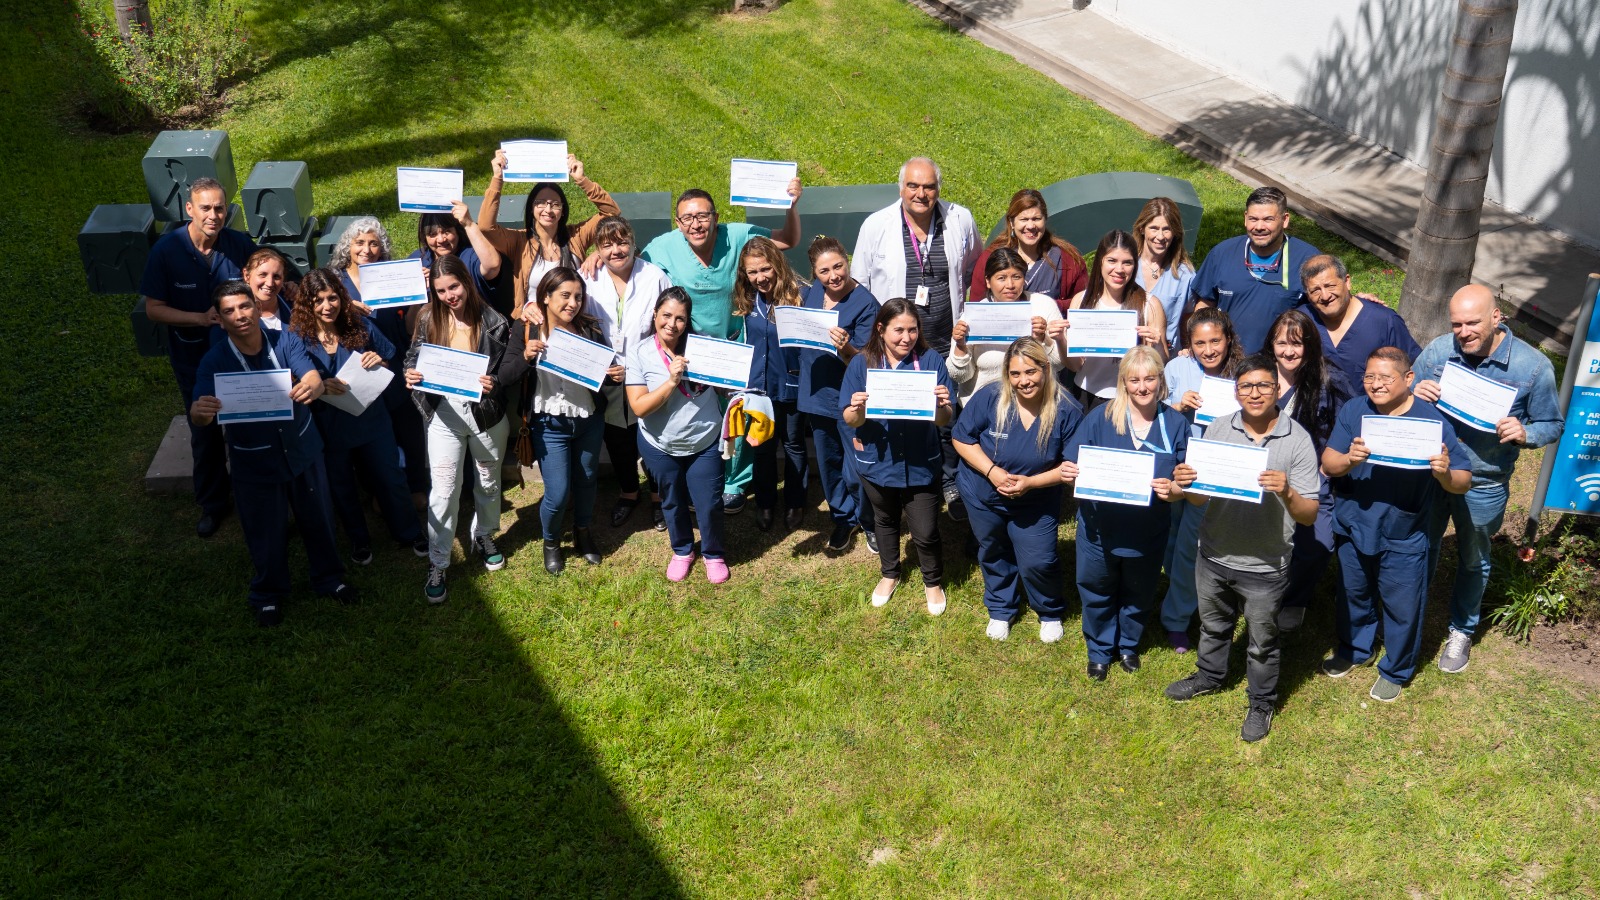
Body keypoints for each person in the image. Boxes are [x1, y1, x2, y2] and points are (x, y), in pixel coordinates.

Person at [1163, 353, 1321, 743]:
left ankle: (1261, 702)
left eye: (1263, 385)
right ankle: (1210, 675)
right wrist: (1185, 484)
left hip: (1265, 564)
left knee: (1262, 643)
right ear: (1235, 391)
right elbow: (1198, 499)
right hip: (1214, 554)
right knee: (1213, 625)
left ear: (1277, 389)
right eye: (1247, 386)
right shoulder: (1217, 430)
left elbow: (1309, 516)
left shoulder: (1297, 440)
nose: (1255, 393)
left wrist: (1286, 489)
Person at [1413, 284, 1563, 674]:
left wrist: (1526, 433)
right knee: (1419, 546)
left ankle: (1462, 628)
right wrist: (1414, 390)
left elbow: (1552, 424)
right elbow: (1404, 392)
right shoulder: (1439, 351)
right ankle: (1407, 617)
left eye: (1473, 322)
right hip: (1431, 472)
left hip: (1483, 480)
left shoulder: (1532, 367)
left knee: (1474, 558)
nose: (1463, 332)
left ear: (1498, 317)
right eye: (1456, 324)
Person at [189, 281, 354, 627]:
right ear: (220, 319)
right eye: (230, 311)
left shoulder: (285, 338)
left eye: (244, 306)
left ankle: (329, 578)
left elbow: (308, 371)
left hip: (303, 450)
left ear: (255, 305)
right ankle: (268, 593)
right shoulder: (214, 361)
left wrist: (313, 382)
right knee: (263, 530)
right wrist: (201, 413)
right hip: (255, 460)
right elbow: (199, 411)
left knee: (319, 518)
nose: (240, 316)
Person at [1321, 347, 1471, 702]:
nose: (1375, 384)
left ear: (1408, 379)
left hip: (1404, 531)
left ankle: (1397, 668)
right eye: (1369, 376)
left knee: (1402, 605)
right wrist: (1348, 460)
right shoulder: (1354, 410)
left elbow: (1463, 480)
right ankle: (1356, 649)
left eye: (1385, 377)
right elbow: (1328, 462)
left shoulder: (1432, 422)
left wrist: (1444, 472)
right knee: (1353, 593)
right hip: (1354, 524)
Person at [1062, 346, 1193, 677]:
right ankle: (1100, 649)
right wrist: (1069, 472)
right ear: (1123, 382)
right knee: (1097, 588)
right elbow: (1073, 462)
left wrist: (1174, 491)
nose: (1143, 387)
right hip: (1099, 529)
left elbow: (1187, 479)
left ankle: (1128, 645)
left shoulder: (1175, 423)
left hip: (1147, 531)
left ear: (1161, 381)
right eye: (1134, 380)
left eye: (1150, 378)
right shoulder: (1101, 417)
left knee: (1139, 591)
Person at [139, 176, 258, 537]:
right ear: (189, 209)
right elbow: (154, 309)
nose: (213, 215)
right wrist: (200, 319)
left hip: (240, 356)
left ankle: (254, 496)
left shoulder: (238, 245)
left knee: (248, 425)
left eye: (219, 207)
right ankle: (212, 504)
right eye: (205, 208)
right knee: (203, 428)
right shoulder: (166, 251)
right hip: (191, 357)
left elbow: (269, 279)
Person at [404, 254, 523, 605]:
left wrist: (495, 383)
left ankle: (484, 535)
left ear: (466, 283)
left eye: (453, 287)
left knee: (488, 482)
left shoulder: (495, 321)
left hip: (485, 416)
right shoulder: (428, 317)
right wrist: (411, 374)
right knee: (443, 491)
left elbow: (507, 371)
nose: (449, 296)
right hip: (443, 415)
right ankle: (439, 561)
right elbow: (414, 357)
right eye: (440, 290)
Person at [290, 268, 426, 565]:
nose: (328, 306)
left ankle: (409, 531)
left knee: (391, 478)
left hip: (372, 420)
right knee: (342, 486)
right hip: (330, 426)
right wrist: (319, 385)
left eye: (333, 298)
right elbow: (294, 383)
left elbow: (390, 357)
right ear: (306, 304)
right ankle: (359, 540)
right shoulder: (298, 339)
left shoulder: (359, 325)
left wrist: (380, 359)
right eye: (319, 301)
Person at [953, 338, 1082, 642]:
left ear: (1045, 369)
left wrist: (1030, 483)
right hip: (983, 492)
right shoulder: (990, 397)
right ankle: (1000, 608)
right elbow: (961, 438)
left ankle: (1048, 611)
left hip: (1035, 500)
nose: (1023, 381)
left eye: (1030, 372)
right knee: (993, 549)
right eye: (1015, 374)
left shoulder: (1067, 409)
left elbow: (1071, 468)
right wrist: (992, 472)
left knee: (1040, 560)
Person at [841, 298, 957, 616]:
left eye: (912, 329)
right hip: (878, 463)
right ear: (881, 329)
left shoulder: (931, 360)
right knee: (885, 520)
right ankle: (890, 574)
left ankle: (932, 581)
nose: (907, 337)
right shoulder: (861, 364)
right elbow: (849, 420)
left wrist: (940, 406)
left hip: (921, 461)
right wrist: (857, 409)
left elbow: (945, 419)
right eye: (898, 331)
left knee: (926, 530)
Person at [626, 288, 730, 584]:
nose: (672, 324)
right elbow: (639, 406)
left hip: (704, 440)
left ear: (688, 322)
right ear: (655, 315)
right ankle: (682, 550)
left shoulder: (702, 347)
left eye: (680, 318)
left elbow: (725, 384)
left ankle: (713, 553)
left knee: (709, 503)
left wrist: (730, 384)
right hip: (660, 445)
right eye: (666, 315)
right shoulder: (639, 352)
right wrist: (671, 381)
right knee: (671, 501)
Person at [516, 268, 610, 575]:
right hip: (548, 425)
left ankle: (583, 533)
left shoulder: (590, 330)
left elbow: (602, 377)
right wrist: (525, 357)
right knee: (557, 493)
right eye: (565, 296)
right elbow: (504, 374)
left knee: (586, 481)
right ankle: (552, 542)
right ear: (545, 296)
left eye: (578, 297)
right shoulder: (528, 330)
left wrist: (613, 377)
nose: (572, 303)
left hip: (587, 420)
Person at [1160, 307, 1244, 651]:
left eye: (1215, 341)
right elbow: (1155, 407)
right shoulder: (1177, 367)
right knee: (1171, 536)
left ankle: (1176, 619)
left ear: (1228, 339)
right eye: (1200, 343)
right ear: (1189, 344)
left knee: (1189, 548)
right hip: (1178, 463)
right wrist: (1177, 404)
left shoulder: (1243, 370)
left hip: (1215, 469)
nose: (1208, 349)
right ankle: (1177, 595)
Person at [1267, 309, 1356, 631]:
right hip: (1262, 474)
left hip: (1311, 478)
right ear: (1271, 344)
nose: (1288, 351)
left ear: (1310, 345)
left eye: (1297, 343)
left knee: (1317, 543)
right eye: (1281, 343)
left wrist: (1328, 463)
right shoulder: (1258, 376)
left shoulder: (1329, 381)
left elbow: (1347, 425)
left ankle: (1295, 599)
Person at [583, 216, 673, 531]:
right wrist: (600, 366)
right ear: (597, 249)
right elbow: (580, 324)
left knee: (650, 437)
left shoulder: (654, 277)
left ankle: (659, 497)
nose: (616, 250)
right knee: (617, 438)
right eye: (606, 245)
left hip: (646, 374)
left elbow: (668, 323)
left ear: (634, 243)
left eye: (622, 242)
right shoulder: (588, 277)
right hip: (606, 375)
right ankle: (628, 492)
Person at [330, 217, 429, 502]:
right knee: (368, 432)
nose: (367, 249)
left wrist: (417, 295)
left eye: (374, 243)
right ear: (348, 246)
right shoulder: (335, 281)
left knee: (406, 425)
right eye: (360, 242)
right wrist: (346, 309)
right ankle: (376, 490)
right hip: (355, 366)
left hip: (393, 359)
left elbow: (410, 328)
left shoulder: (393, 276)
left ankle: (415, 485)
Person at [796, 236, 879, 552]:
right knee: (829, 462)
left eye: (838, 266)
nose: (833, 276)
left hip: (849, 397)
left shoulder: (866, 303)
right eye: (824, 271)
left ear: (848, 260)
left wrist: (845, 347)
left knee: (857, 463)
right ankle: (843, 517)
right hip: (816, 392)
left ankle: (869, 520)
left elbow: (866, 360)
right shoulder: (815, 292)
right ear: (815, 274)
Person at [851, 157, 981, 356]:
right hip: (894, 350)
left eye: (929, 187)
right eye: (913, 186)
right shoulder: (875, 225)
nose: (921, 194)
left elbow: (975, 270)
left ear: (938, 189)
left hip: (947, 347)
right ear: (901, 188)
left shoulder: (960, 219)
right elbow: (859, 284)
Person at [640, 184, 802, 342]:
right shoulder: (662, 247)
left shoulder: (736, 236)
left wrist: (791, 207)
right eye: (687, 218)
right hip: (687, 344)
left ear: (716, 218)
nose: (695, 225)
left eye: (703, 216)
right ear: (678, 223)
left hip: (735, 341)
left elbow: (788, 240)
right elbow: (634, 270)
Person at [733, 236, 809, 532]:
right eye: (752, 272)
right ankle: (765, 503)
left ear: (777, 265)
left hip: (790, 386)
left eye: (765, 269)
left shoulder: (800, 295)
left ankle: (795, 502)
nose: (760, 278)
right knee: (761, 447)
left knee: (793, 445)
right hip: (758, 390)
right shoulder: (746, 298)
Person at [483, 149, 619, 314]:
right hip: (534, 324)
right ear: (532, 208)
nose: (548, 209)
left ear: (563, 210)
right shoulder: (519, 240)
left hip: (573, 323)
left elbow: (611, 213)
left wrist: (582, 180)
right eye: (540, 203)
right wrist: (497, 178)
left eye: (555, 204)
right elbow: (486, 227)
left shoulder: (576, 236)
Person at [1189, 186, 1322, 354]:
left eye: (1268, 219)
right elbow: (1205, 303)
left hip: (1281, 364)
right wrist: (1196, 343)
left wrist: (1362, 300)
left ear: (1285, 220)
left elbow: (1328, 305)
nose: (1259, 227)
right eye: (1253, 219)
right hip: (1227, 360)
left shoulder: (1308, 259)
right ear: (1245, 219)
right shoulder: (1222, 254)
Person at [949, 248, 1066, 405]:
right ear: (988, 282)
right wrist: (960, 346)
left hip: (1035, 401)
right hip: (984, 404)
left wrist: (1043, 340)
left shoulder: (1043, 305)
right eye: (1001, 278)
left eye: (1016, 277)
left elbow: (1059, 365)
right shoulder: (975, 314)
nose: (1010, 285)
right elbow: (960, 376)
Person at [1065, 230, 1169, 404]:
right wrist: (1062, 339)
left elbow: (1162, 362)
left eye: (1127, 263)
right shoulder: (1081, 301)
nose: (1119, 270)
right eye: (1112, 261)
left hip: (1132, 398)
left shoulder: (1150, 304)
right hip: (1086, 395)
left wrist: (1156, 343)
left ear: (1135, 265)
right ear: (1100, 262)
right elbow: (1075, 365)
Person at [1297, 253, 1420, 388]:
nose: (1325, 296)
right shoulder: (1300, 321)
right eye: (1315, 290)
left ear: (1347, 282)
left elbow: (1413, 368)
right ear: (1307, 295)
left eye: (1330, 285)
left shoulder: (1384, 321)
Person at [966, 188, 1087, 312]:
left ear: (1045, 220)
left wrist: (1047, 307)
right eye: (1024, 219)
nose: (1030, 226)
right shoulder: (991, 258)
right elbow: (976, 309)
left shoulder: (1068, 259)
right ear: (1011, 222)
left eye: (1036, 219)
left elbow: (1083, 304)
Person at [408, 200, 504, 315]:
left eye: (447, 232)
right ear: (425, 237)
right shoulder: (418, 259)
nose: (441, 239)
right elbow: (409, 326)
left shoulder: (470, 256)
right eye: (432, 235)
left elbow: (493, 266)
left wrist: (468, 224)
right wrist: (418, 292)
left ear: (457, 231)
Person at [1132, 197, 1197, 351]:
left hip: (1165, 359)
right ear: (1142, 229)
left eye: (1166, 229)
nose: (1160, 237)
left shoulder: (1185, 275)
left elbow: (1188, 320)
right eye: (1154, 228)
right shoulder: (1127, 267)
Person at [241, 247, 293, 329]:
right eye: (263, 275)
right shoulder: (235, 314)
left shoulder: (294, 305)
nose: (270, 283)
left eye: (276, 277)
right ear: (247, 276)